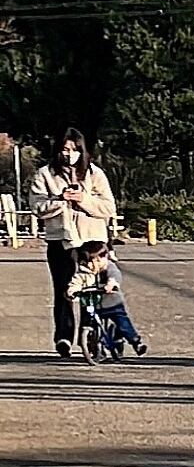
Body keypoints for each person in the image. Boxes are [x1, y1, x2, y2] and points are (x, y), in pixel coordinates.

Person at [28, 128, 117, 357]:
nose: (69, 154)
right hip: (61, 241)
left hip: (92, 242)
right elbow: (37, 207)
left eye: (74, 150)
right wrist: (60, 200)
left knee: (91, 289)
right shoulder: (45, 175)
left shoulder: (95, 174)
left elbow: (108, 208)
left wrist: (84, 200)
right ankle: (63, 337)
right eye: (65, 150)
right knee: (64, 290)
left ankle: (91, 336)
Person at [66, 240, 148, 358]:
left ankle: (136, 343)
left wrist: (111, 284)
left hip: (112, 303)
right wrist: (72, 292)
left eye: (97, 260)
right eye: (90, 261)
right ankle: (93, 347)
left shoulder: (109, 268)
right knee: (89, 323)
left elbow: (114, 275)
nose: (93, 264)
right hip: (92, 304)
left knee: (123, 323)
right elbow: (76, 282)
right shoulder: (83, 272)